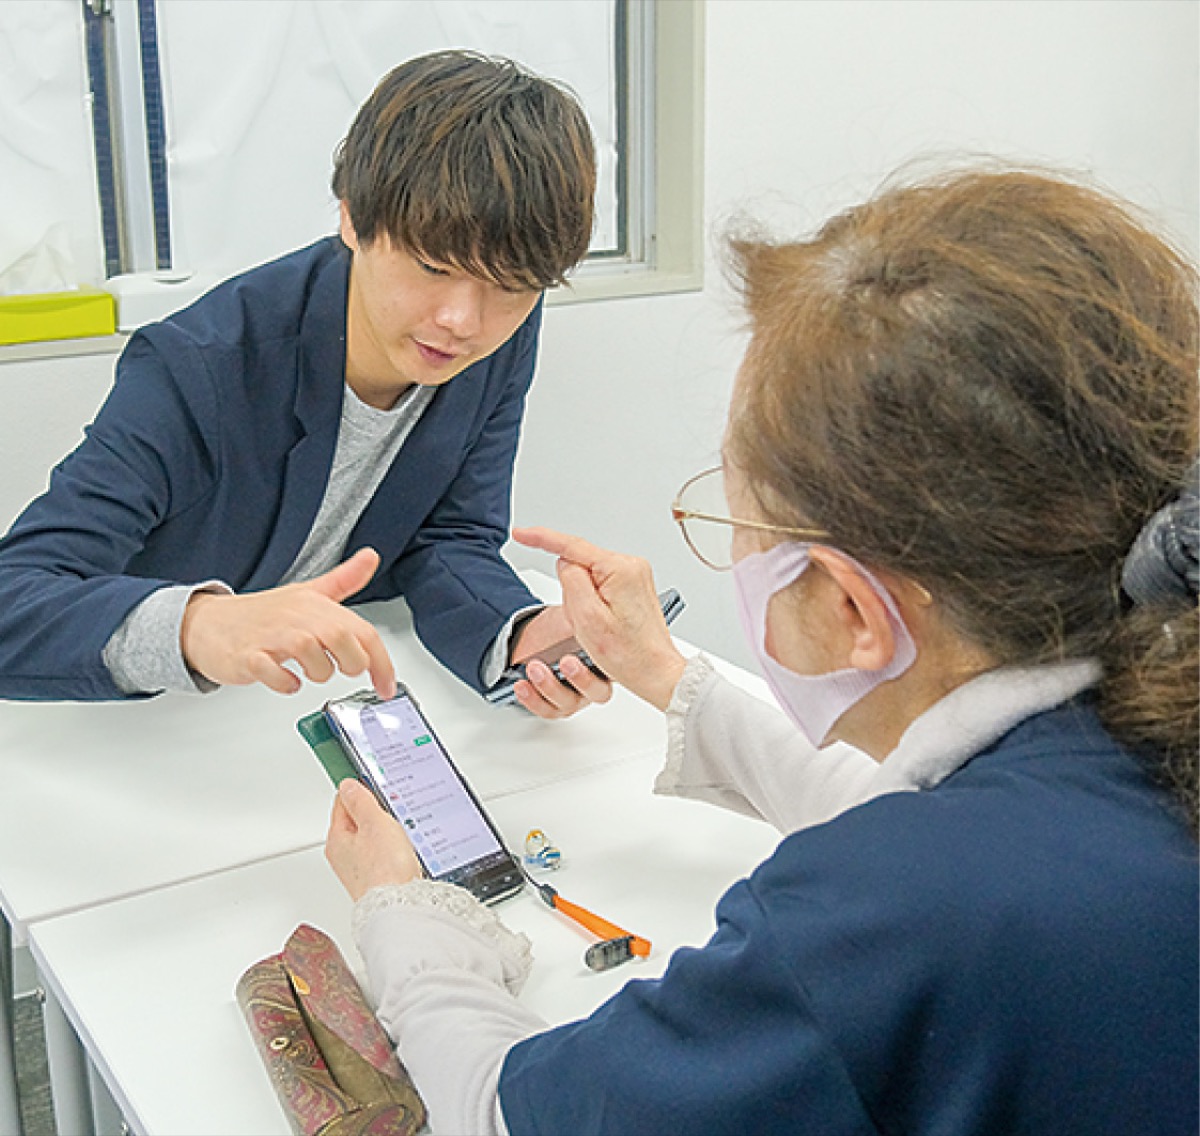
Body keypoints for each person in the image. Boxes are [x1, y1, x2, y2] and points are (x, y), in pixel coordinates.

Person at [324, 165, 1199, 1134]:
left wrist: (408, 920)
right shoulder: (1133, 735)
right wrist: (663, 673)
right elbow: (937, 821)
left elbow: (509, 1114)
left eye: (731, 519)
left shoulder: (871, 922)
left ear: (853, 608)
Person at [0, 50, 601, 713]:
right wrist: (201, 625)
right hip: (154, 722)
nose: (462, 321)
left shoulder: (498, 329)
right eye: (433, 267)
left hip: (320, 700)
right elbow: (13, 597)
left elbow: (449, 537)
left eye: (511, 285)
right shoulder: (197, 367)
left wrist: (518, 637)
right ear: (352, 218)